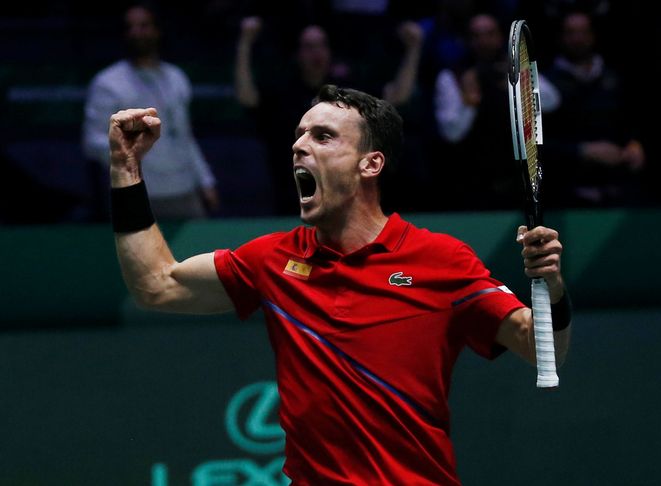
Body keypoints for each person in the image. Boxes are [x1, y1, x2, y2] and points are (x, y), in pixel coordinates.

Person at [106, 84, 572, 485]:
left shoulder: (441, 260)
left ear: (370, 164)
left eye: (323, 136)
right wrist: (126, 170)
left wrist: (550, 285)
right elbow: (155, 285)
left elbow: (540, 344)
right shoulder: (272, 259)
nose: (299, 146)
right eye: (299, 135)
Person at [234, 16, 424, 215]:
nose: (316, 52)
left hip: (345, 202)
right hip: (291, 200)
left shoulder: (348, 91)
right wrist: (245, 42)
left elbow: (397, 95)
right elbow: (247, 97)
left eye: (321, 45)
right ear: (298, 54)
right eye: (309, 46)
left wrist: (414, 47)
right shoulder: (283, 92)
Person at [82, 3, 219, 220]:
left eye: (144, 26)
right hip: (136, 193)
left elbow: (185, 136)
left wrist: (205, 181)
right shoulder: (107, 83)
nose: (136, 32)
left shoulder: (176, 77)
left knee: (194, 254)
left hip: (184, 190)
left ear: (157, 30)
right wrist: (127, 151)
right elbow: (92, 142)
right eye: (130, 27)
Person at [432, 12, 561, 210]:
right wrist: (469, 101)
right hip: (471, 184)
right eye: (476, 35)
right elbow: (452, 134)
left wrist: (517, 81)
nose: (483, 41)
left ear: (500, 37)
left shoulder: (517, 67)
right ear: (467, 40)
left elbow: (553, 102)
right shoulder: (452, 77)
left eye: (490, 34)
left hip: (519, 183)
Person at [542, 10, 646, 207]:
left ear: (593, 35)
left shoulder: (614, 76)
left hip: (618, 190)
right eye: (571, 32)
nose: (577, 39)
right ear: (561, 37)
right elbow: (538, 144)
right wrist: (582, 150)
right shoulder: (545, 83)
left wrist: (634, 143)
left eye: (583, 32)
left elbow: (629, 119)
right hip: (566, 194)